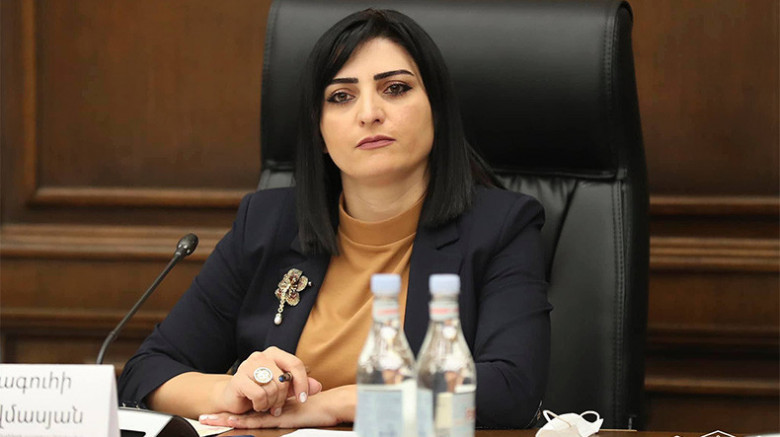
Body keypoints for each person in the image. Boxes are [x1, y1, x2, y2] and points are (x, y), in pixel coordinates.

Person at [118, 8, 551, 430]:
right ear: (320, 132)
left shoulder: (500, 227)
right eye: (341, 96)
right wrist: (230, 390)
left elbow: (511, 389)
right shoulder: (267, 223)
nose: (369, 113)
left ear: (436, 110)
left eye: (395, 88)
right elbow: (148, 371)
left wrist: (337, 403)